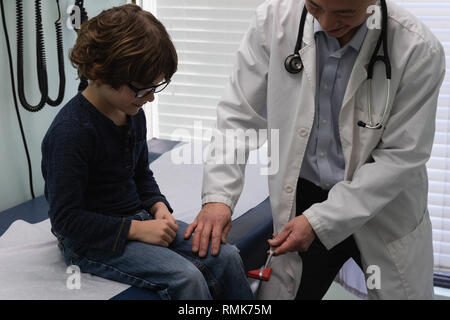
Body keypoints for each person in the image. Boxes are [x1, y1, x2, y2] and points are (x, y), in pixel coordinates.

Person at [185, 0, 446, 299]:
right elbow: (238, 117)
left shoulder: (417, 48)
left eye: (344, 12)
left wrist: (321, 221)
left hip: (380, 206)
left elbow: (401, 157)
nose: (325, 21)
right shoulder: (274, 21)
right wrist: (218, 197)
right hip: (303, 200)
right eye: (314, 6)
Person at [41, 4, 253, 300]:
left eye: (157, 87)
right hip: (89, 241)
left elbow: (140, 174)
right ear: (102, 73)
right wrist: (137, 231)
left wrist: (158, 207)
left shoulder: (131, 112)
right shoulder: (71, 133)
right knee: (187, 277)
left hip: (138, 218)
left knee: (226, 257)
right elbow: (66, 221)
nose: (151, 98)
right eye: (142, 89)